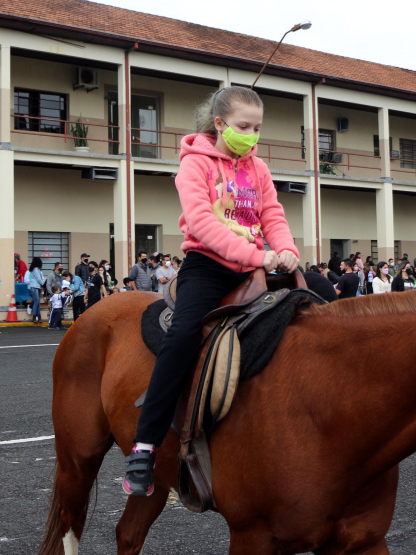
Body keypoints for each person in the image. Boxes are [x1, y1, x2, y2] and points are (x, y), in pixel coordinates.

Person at [124, 86, 300, 497]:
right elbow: (201, 223)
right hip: (209, 266)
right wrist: (257, 256)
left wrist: (287, 249)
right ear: (219, 124)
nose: (252, 136)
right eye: (243, 127)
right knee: (184, 335)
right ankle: (145, 446)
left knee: (318, 305)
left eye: (257, 128)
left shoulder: (260, 169)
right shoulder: (194, 165)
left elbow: (272, 214)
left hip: (257, 266)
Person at [26, 257, 45, 324]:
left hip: (36, 287)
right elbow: (39, 279)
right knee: (36, 302)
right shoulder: (36, 270)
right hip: (35, 287)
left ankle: (37, 317)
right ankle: (36, 316)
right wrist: (44, 284)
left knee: (37, 302)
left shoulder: (35, 270)